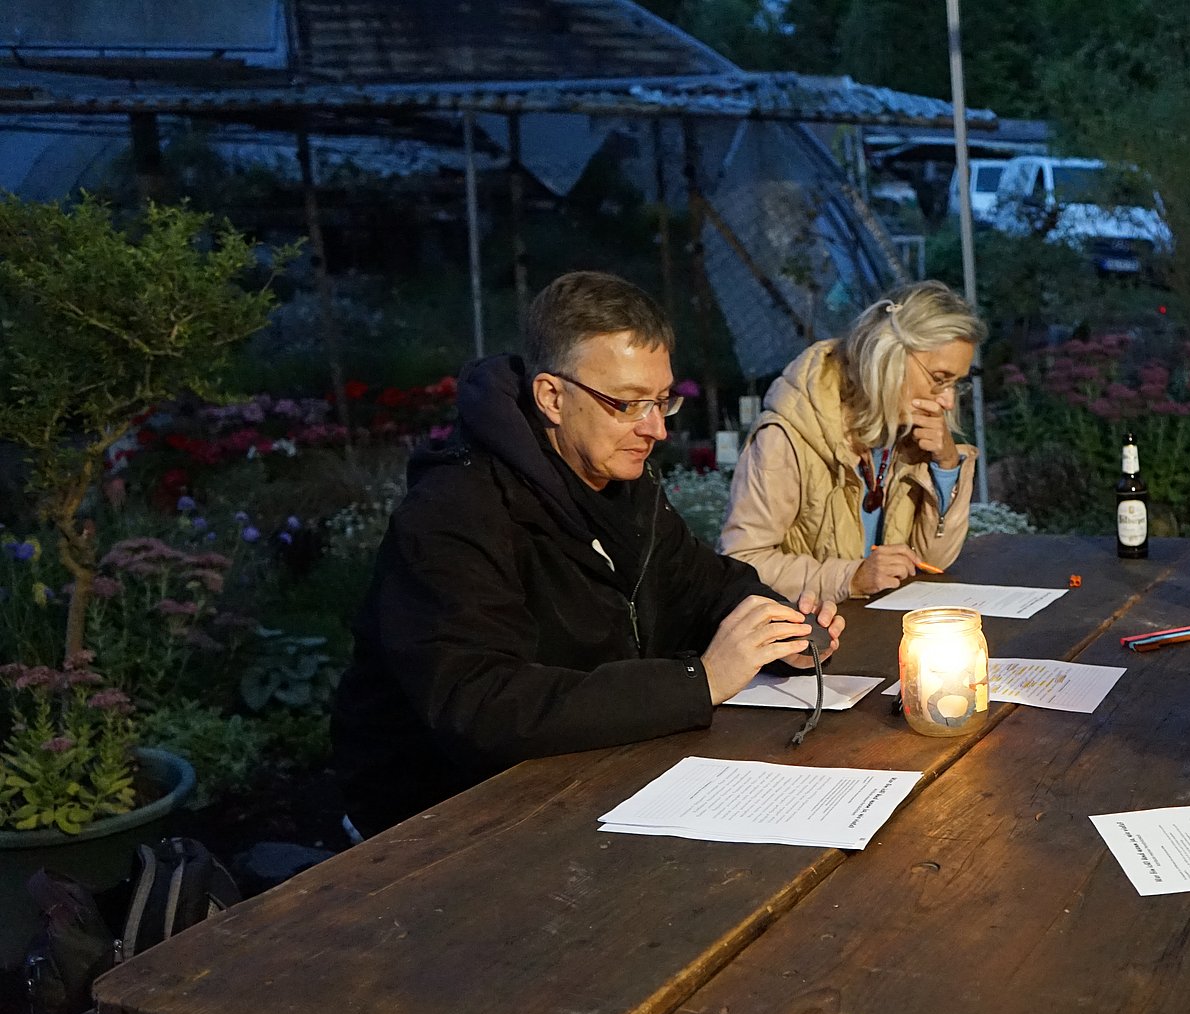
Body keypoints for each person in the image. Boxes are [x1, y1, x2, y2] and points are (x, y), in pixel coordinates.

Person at [332, 271, 842, 841]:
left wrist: (785, 630)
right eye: (627, 404)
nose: (655, 429)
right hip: (443, 829)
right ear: (552, 396)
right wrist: (700, 681)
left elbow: (705, 584)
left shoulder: (621, 484)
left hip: (596, 785)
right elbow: (482, 707)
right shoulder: (455, 513)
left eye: (662, 401)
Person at [719, 280, 985, 601]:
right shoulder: (785, 437)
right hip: (806, 639)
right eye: (940, 380)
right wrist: (851, 577)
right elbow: (741, 562)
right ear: (889, 355)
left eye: (956, 384)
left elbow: (933, 562)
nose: (947, 402)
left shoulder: (906, 433)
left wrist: (945, 465)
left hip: (877, 627)